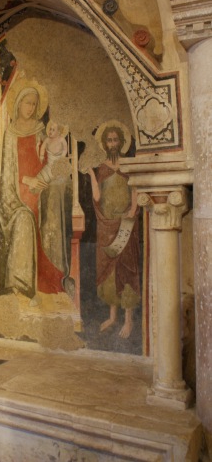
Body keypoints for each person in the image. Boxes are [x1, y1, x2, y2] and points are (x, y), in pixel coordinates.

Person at [0, 79, 67, 305]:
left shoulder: (41, 131)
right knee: (23, 218)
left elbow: (50, 160)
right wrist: (22, 185)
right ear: (18, 105)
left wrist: (41, 180)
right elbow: (7, 172)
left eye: (34, 104)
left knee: (48, 211)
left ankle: (44, 280)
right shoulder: (11, 133)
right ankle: (21, 285)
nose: (31, 108)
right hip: (15, 192)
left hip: (39, 188)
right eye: (27, 103)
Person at [86, 120, 140, 338]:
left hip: (126, 224)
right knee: (109, 273)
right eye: (109, 140)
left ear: (122, 142)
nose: (113, 144)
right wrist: (91, 175)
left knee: (126, 271)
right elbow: (97, 197)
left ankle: (128, 320)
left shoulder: (128, 166)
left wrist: (132, 210)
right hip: (107, 226)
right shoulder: (102, 169)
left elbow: (135, 189)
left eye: (116, 139)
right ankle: (112, 316)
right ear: (105, 144)